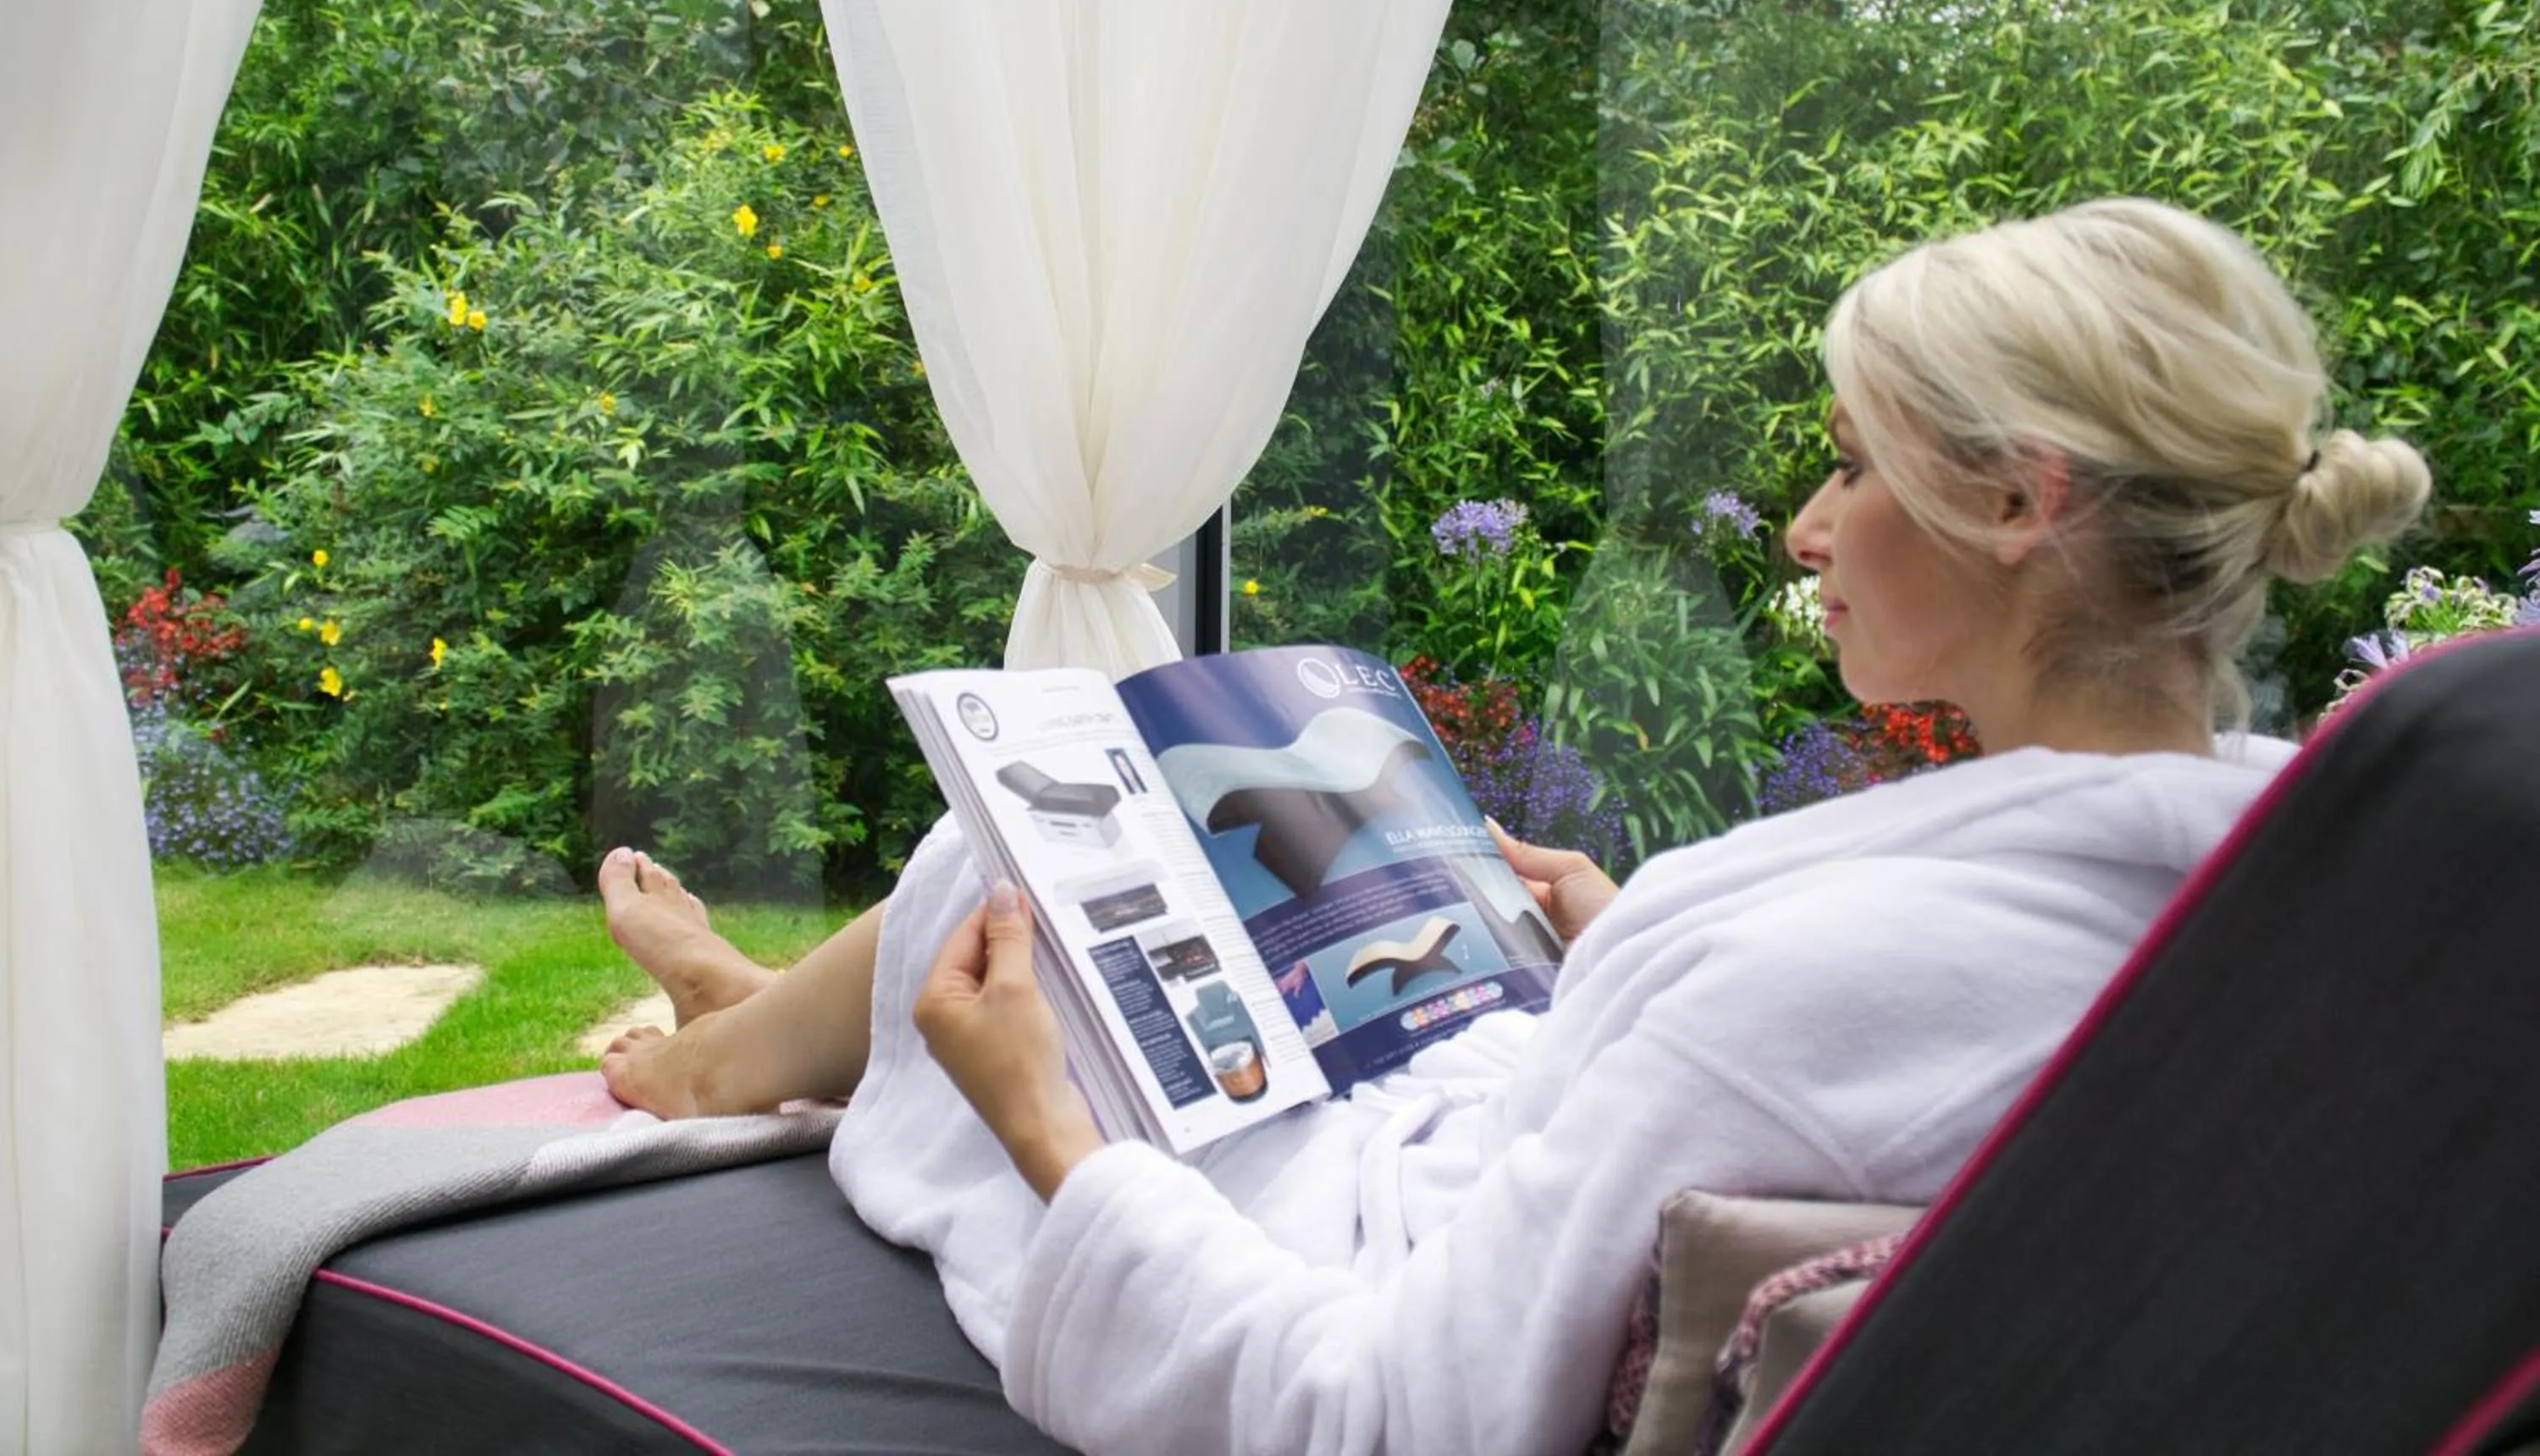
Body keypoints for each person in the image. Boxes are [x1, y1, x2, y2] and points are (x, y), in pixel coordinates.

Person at [596, 198, 2430, 1455]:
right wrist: (1628, 941)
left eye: (1856, 463)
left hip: (1368, 1238)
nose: (1806, 522)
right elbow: (1834, 1042)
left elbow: (1374, 1419)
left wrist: (1047, 1132)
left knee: (1022, 857)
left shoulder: (1817, 991)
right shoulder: (2275, 879)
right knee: (1161, 829)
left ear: (2019, 499)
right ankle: (755, 1019)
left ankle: (723, 1055)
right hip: (1532, 1114)